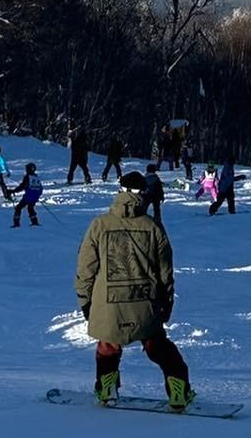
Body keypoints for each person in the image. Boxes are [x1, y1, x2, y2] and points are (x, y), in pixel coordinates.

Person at [76, 172, 192, 411]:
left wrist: (86, 301)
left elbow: (86, 268)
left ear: (120, 191)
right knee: (157, 344)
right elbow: (165, 272)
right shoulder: (153, 226)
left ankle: (107, 387)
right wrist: (166, 304)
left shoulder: (99, 224)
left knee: (108, 345)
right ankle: (178, 385)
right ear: (143, 194)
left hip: (108, 302)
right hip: (145, 301)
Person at [11, 162, 44, 228]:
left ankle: (16, 223)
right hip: (35, 196)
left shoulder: (27, 177)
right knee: (30, 207)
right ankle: (34, 221)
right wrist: (37, 195)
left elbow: (22, 186)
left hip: (28, 196)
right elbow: (40, 188)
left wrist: (13, 191)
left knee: (18, 207)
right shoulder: (36, 177)